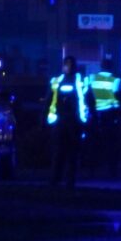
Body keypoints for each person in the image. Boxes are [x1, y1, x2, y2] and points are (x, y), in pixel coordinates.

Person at [45, 56, 88, 189]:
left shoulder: (79, 81)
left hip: (71, 123)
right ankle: (58, 180)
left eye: (70, 65)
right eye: (67, 64)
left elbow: (87, 101)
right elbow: (49, 101)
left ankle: (64, 181)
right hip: (65, 122)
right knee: (62, 153)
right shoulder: (59, 81)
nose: (68, 67)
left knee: (68, 153)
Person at [87, 60, 121, 176]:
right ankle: (112, 169)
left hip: (95, 114)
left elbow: (88, 95)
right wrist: (119, 111)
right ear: (111, 67)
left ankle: (92, 168)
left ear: (101, 67)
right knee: (111, 142)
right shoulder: (115, 80)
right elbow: (117, 98)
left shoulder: (92, 78)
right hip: (110, 114)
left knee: (94, 142)